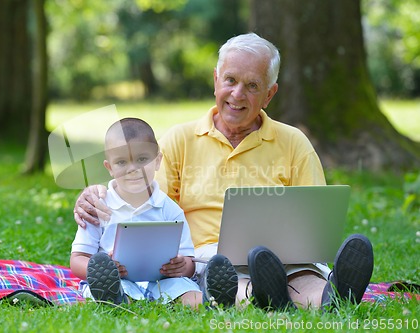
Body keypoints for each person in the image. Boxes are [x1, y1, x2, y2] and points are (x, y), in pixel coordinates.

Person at [73, 32, 374, 310]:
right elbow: (144, 199)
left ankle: (331, 297)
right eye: (230, 80)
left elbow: (315, 220)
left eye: (252, 85)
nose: (238, 94)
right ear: (216, 80)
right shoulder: (181, 139)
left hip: (286, 256)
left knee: (304, 276)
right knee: (230, 283)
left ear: (270, 94)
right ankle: (267, 296)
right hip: (213, 259)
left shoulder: (293, 142)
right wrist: (97, 193)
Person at [70, 118, 202, 309]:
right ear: (110, 168)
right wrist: (103, 270)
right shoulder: (98, 206)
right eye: (122, 162)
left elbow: (189, 261)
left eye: (142, 159)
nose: (133, 169)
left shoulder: (170, 209)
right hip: (115, 281)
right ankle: (119, 300)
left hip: (162, 281)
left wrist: (183, 266)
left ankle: (212, 299)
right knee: (115, 293)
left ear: (157, 161)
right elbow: (77, 259)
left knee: (188, 293)